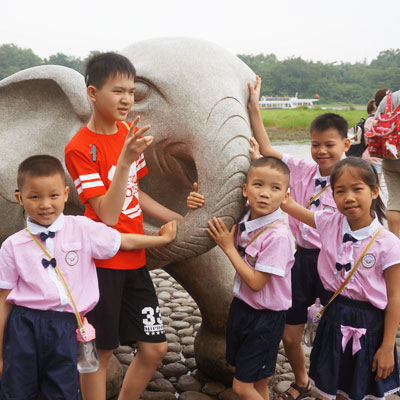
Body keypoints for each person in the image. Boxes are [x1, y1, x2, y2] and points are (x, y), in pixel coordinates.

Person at [0, 155, 177, 400]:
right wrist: (0, 354)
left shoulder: (82, 228)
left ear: (65, 194)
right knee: (17, 389)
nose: (45, 205)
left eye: (53, 196)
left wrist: (161, 239)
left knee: (62, 390)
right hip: (24, 325)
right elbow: (4, 301)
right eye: (34, 197)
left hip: (66, 325)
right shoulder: (12, 246)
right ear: (19, 198)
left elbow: (121, 240)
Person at [64, 52, 183, 400]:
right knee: (100, 353)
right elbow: (109, 214)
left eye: (131, 91)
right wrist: (125, 158)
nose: (127, 99)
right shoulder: (79, 148)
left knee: (154, 348)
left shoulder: (128, 132)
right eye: (118, 91)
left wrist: (174, 218)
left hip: (135, 260)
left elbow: (135, 193)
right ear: (92, 92)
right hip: (101, 264)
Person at [246, 75, 350, 400]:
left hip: (333, 262)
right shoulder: (304, 169)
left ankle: (330, 386)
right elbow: (266, 149)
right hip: (300, 259)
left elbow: (330, 223)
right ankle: (303, 379)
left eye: (329, 145)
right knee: (290, 335)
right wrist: (254, 107)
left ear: (346, 145)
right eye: (315, 144)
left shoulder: (352, 179)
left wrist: (287, 206)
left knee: (330, 333)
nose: (321, 151)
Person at [281, 156, 400, 400]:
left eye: (357, 189)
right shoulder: (329, 223)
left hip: (369, 324)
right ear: (332, 195)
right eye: (340, 191)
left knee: (357, 390)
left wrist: (387, 346)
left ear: (375, 191)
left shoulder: (389, 244)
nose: (349, 197)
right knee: (327, 388)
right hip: (333, 317)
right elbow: (291, 207)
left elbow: (395, 297)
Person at [205, 157, 294, 400]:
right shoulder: (244, 217)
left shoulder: (278, 236)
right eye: (258, 185)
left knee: (241, 388)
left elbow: (256, 283)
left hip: (265, 319)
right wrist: (196, 200)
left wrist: (228, 247)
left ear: (286, 196)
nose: (265, 194)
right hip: (242, 309)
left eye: (275, 188)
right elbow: (212, 212)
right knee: (259, 384)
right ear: (245, 189)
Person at [375, 89, 400, 238]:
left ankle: (395, 242)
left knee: (394, 200)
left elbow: (376, 123)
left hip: (389, 156)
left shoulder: (388, 99)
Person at [361, 89, 388, 181]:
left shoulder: (371, 119)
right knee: (374, 189)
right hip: (374, 159)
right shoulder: (376, 121)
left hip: (367, 158)